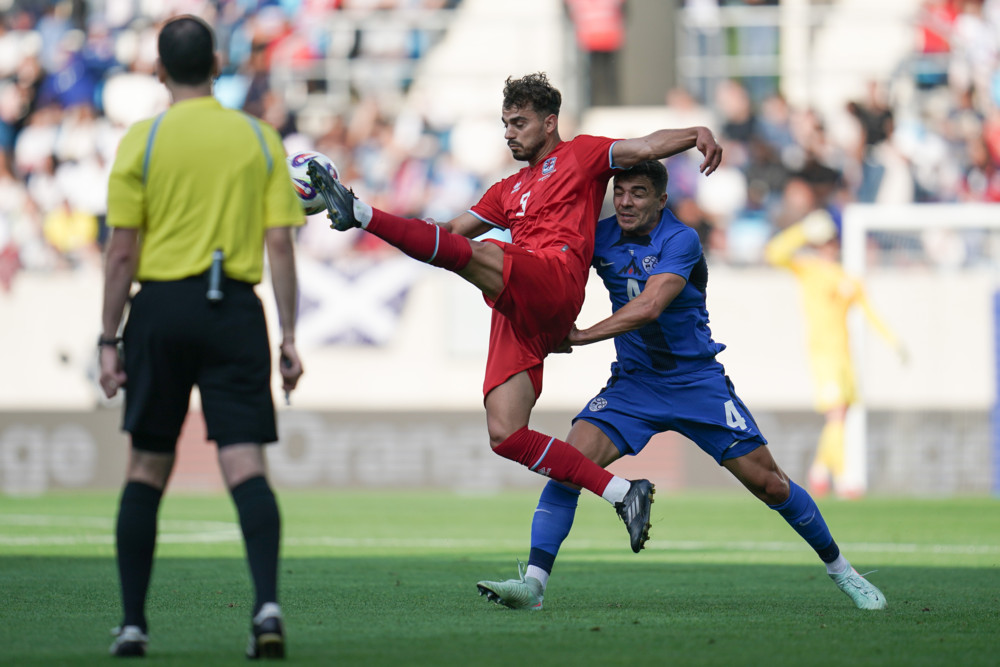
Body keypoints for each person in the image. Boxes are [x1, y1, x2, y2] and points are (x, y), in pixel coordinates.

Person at [309, 72, 723, 552]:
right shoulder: (506, 190)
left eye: (519, 122)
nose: (509, 132)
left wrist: (696, 134)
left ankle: (359, 211)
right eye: (506, 123)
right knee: (505, 433)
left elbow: (645, 146)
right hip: (518, 300)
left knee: (479, 253)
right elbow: (448, 230)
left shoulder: (583, 154)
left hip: (553, 279)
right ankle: (622, 492)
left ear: (549, 124)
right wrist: (397, 232)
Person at [474, 160, 887, 612]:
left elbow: (651, 305)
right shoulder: (601, 236)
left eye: (639, 193)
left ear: (661, 199)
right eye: (621, 192)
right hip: (634, 384)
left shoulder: (681, 239)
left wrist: (579, 335)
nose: (626, 202)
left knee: (769, 483)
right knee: (569, 464)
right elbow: (552, 267)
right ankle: (532, 586)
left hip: (696, 383)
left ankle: (842, 570)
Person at [98, 15, 304, 659]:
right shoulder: (258, 137)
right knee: (245, 463)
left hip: (159, 308)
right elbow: (280, 243)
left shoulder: (142, 140)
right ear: (217, 63)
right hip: (234, 309)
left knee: (145, 467)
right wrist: (289, 337)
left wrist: (109, 337)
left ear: (159, 70)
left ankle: (133, 624)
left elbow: (121, 253)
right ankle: (267, 609)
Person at [764, 209, 906, 498]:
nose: (828, 247)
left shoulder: (848, 278)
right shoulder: (809, 269)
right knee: (837, 414)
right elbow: (774, 252)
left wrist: (893, 342)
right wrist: (803, 229)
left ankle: (819, 471)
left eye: (832, 242)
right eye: (824, 242)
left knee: (843, 414)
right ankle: (843, 478)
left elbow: (870, 312)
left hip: (844, 356)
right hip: (822, 354)